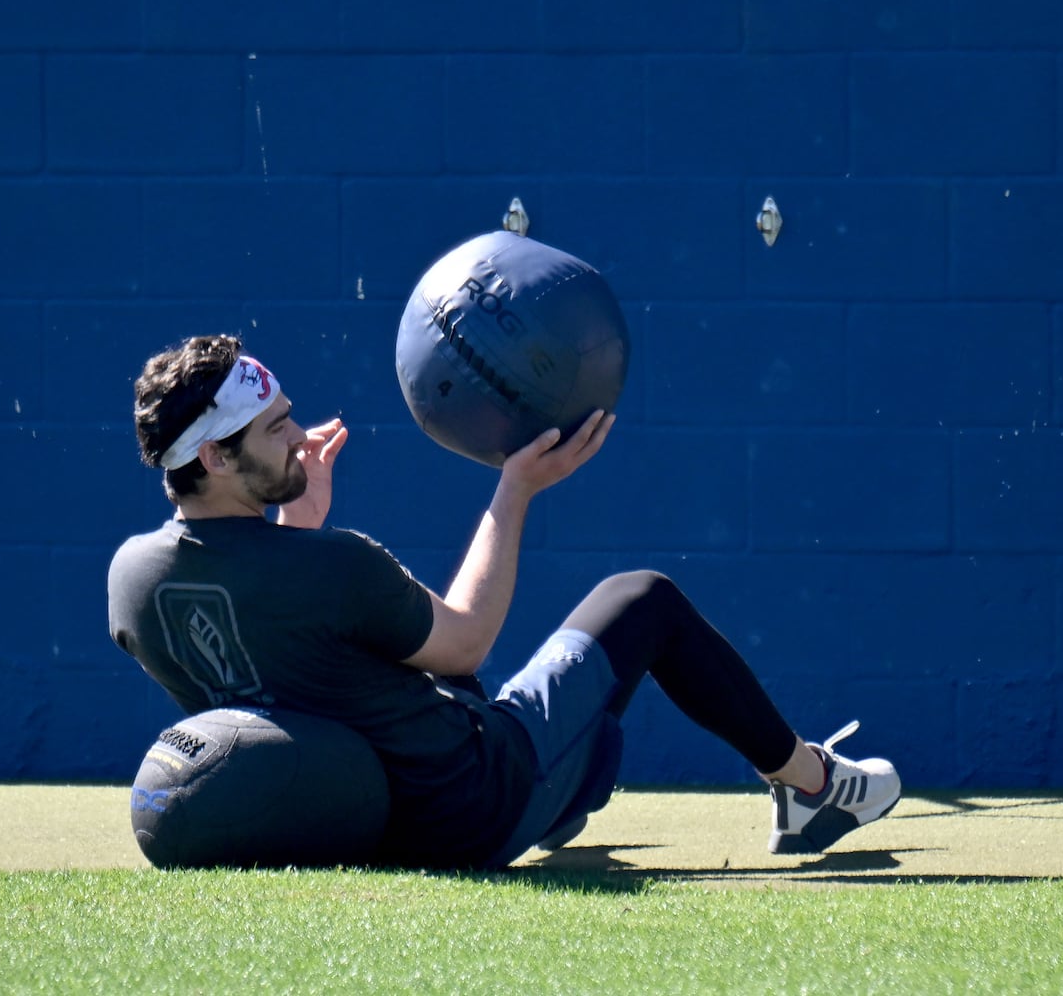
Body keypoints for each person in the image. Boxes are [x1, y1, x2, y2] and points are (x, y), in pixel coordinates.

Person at [108, 334, 901, 870]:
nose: (296, 435)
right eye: (275, 429)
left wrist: (299, 520)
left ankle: (574, 783)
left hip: (377, 820)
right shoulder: (333, 568)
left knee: (441, 685)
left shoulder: (132, 581)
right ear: (215, 455)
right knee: (642, 598)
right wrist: (515, 489)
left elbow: (278, 680)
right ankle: (812, 787)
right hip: (478, 795)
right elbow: (465, 643)